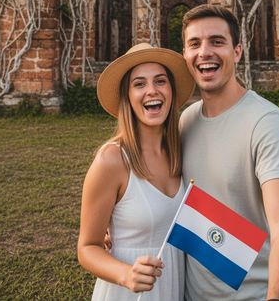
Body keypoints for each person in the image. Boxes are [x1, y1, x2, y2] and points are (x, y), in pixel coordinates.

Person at [180, 4, 279, 301]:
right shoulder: (186, 121)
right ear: (185, 56)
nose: (205, 52)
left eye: (217, 41)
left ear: (237, 52)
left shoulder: (265, 122)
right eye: (194, 44)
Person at [77, 43, 195, 300]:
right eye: (139, 84)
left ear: (171, 91)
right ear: (127, 97)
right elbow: (87, 247)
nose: (152, 91)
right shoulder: (112, 160)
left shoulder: (182, 153)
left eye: (160, 81)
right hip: (127, 292)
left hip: (174, 287)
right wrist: (126, 274)